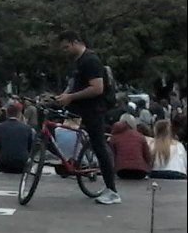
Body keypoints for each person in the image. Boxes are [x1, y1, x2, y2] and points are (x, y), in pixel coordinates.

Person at [55, 30, 121, 205]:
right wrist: (62, 96)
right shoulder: (78, 62)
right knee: (49, 113)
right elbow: (74, 85)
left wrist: (70, 97)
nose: (65, 51)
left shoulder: (91, 60)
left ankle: (112, 190)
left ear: (76, 42)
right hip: (82, 108)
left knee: (99, 146)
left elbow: (97, 88)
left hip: (94, 109)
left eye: (66, 47)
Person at [0, 104, 34, 173]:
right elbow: (30, 146)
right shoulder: (27, 128)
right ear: (19, 114)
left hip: (4, 163)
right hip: (22, 163)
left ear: (7, 114)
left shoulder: (0, 127)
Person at [108, 113, 151, 179]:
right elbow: (147, 156)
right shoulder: (140, 136)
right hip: (140, 171)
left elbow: (111, 155)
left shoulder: (114, 137)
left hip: (121, 171)